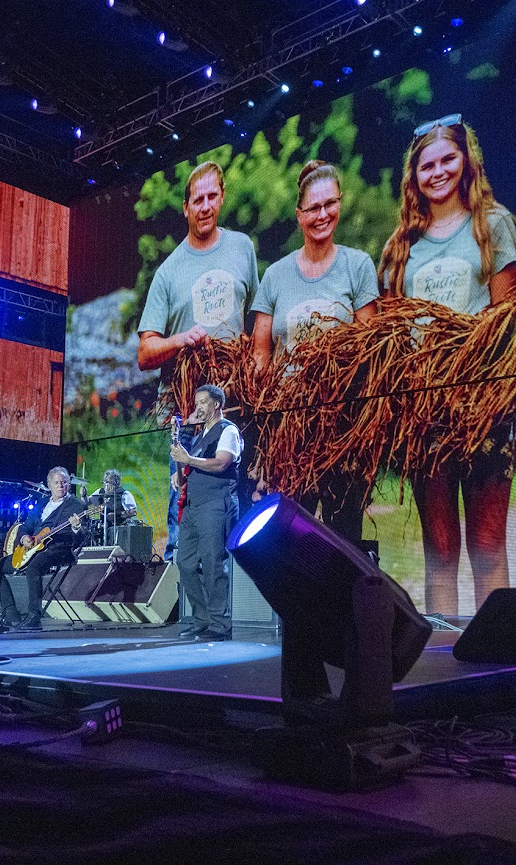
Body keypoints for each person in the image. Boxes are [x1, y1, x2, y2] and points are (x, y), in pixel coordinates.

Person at [379, 115, 516, 616]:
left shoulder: (495, 225)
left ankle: (496, 655)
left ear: (467, 162)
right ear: (413, 175)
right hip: (426, 414)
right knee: (440, 549)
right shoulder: (402, 246)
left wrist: (467, 365)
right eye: (427, 165)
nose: (438, 172)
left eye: (448, 160)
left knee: (488, 545)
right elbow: (393, 334)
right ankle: (444, 655)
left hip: (485, 406)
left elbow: (504, 318)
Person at [137, 161, 259, 562]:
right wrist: (180, 339)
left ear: (222, 197)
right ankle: (182, 599)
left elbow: (256, 321)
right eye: (197, 199)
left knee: (235, 501)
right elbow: (145, 352)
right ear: (186, 207)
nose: (205, 206)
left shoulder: (243, 248)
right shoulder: (169, 271)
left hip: (235, 404)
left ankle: (233, 596)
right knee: (184, 506)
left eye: (212, 196)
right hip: (187, 412)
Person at [252, 159, 379, 539]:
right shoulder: (275, 275)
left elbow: (368, 348)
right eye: (313, 208)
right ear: (299, 214)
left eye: (330, 204)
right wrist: (266, 429)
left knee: (345, 538)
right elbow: (261, 356)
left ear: (339, 203)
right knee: (290, 536)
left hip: (341, 428)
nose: (323, 215)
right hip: (290, 430)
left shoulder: (357, 266)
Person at [169, 383, 241, 641]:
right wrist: (181, 479)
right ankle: (202, 618)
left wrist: (188, 460)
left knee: (213, 564)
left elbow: (221, 463)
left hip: (215, 504)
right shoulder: (201, 436)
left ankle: (220, 625)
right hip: (193, 507)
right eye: (196, 402)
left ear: (216, 404)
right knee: (185, 563)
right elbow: (195, 467)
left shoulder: (228, 430)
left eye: (202, 402)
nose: (198, 407)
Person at [0, 467, 89, 630]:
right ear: (49, 485)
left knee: (33, 568)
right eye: (56, 483)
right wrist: (24, 537)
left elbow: (79, 539)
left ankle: (34, 615)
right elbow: (26, 526)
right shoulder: (42, 503)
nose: (61, 485)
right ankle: (11, 613)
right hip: (32, 549)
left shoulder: (77, 506)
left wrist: (76, 528)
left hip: (58, 549)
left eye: (64, 482)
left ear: (69, 484)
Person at [88, 469, 138, 543]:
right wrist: (83, 495)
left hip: (120, 531)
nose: (105, 484)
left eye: (107, 482)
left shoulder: (125, 494)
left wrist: (117, 515)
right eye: (104, 481)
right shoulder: (100, 492)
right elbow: (87, 502)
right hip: (103, 529)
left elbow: (133, 512)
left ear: (115, 483)